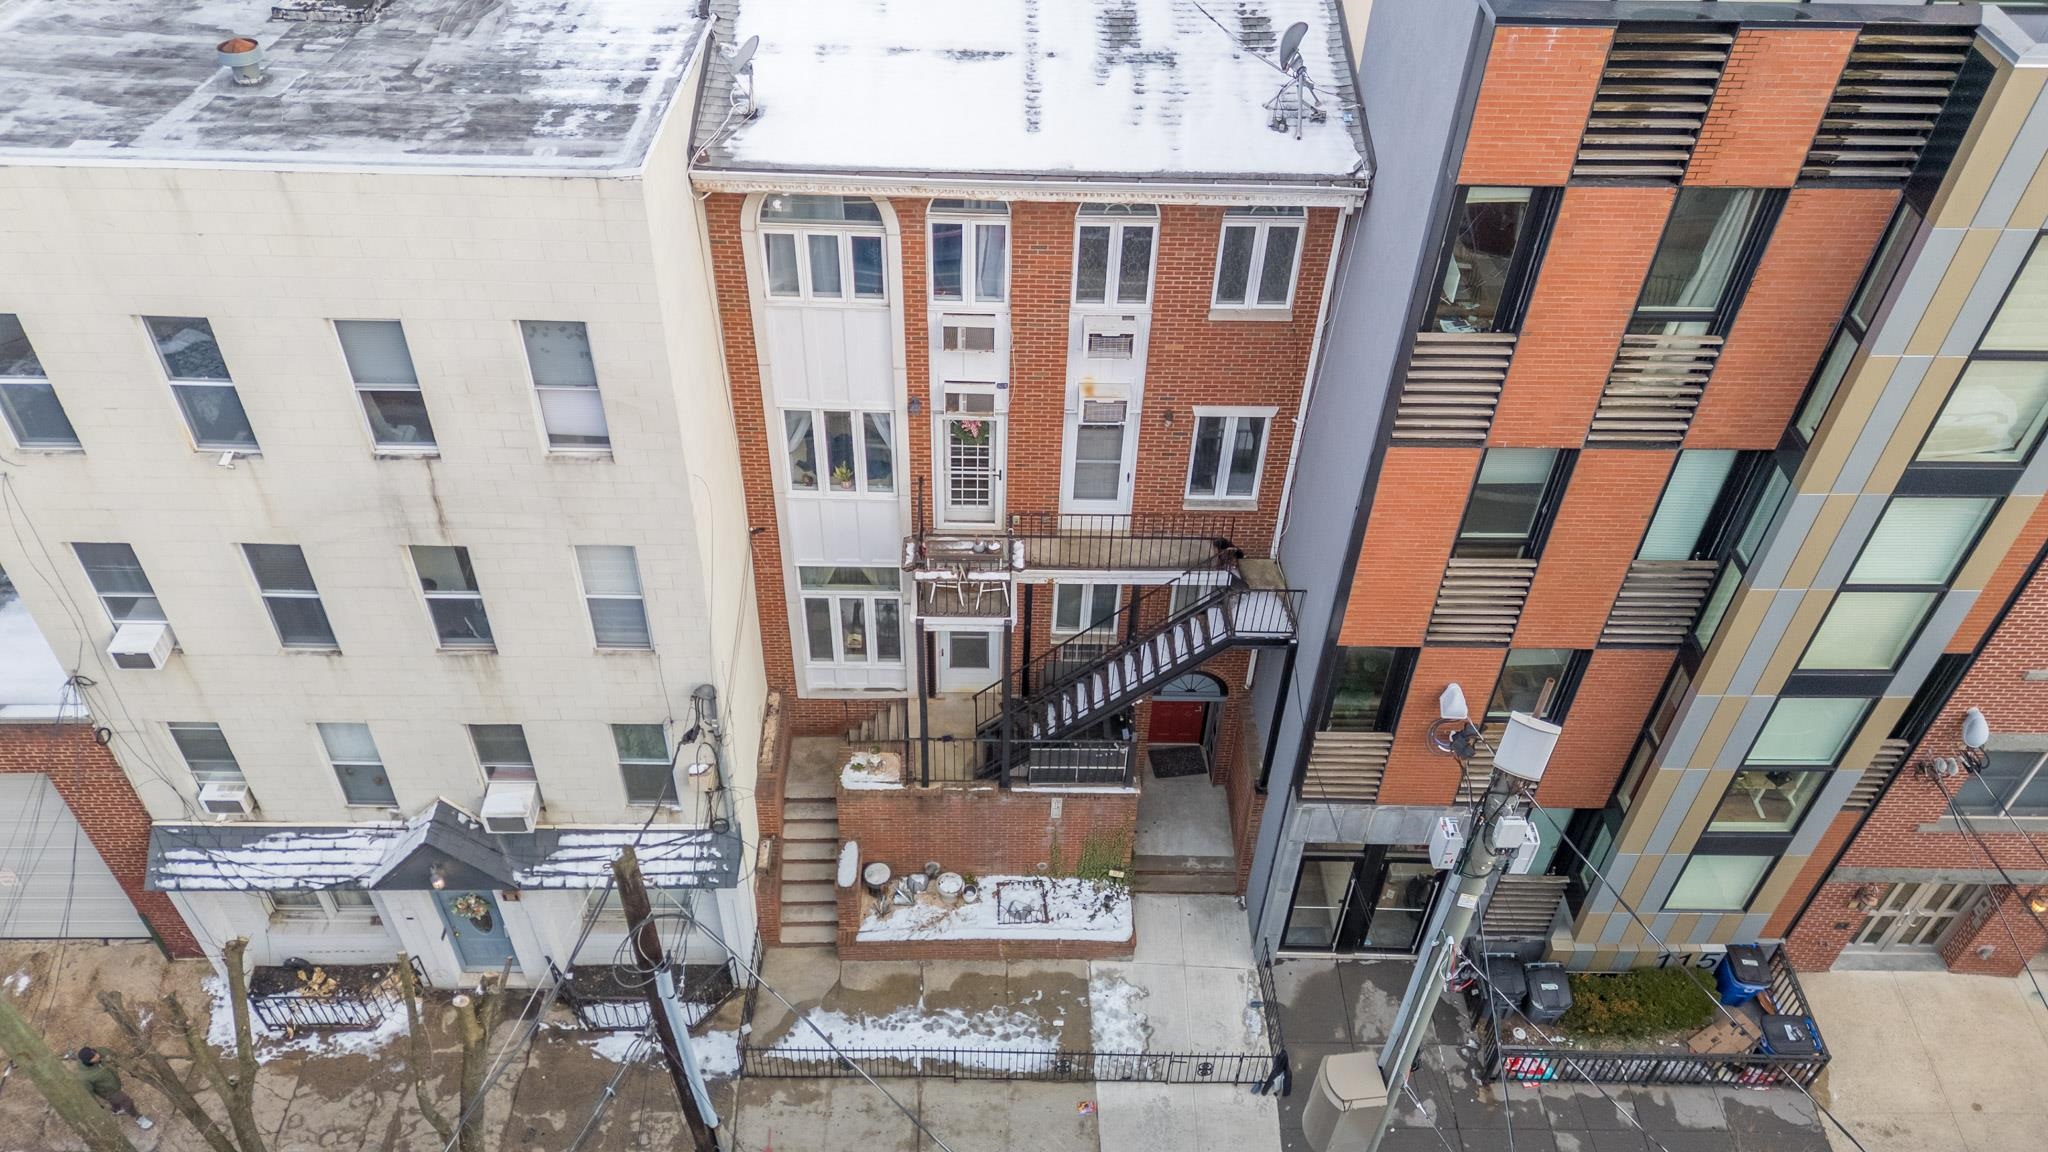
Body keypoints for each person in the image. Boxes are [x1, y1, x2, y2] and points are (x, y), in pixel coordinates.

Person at [76, 1047, 154, 1130]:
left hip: (114, 1084)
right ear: (88, 1062)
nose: (98, 1056)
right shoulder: (85, 1077)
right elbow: (89, 1093)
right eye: (94, 1057)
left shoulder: (97, 1053)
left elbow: (113, 1055)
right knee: (127, 1101)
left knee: (116, 1102)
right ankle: (139, 1118)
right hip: (109, 1092)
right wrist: (98, 1105)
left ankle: (116, 1109)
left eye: (95, 1053)